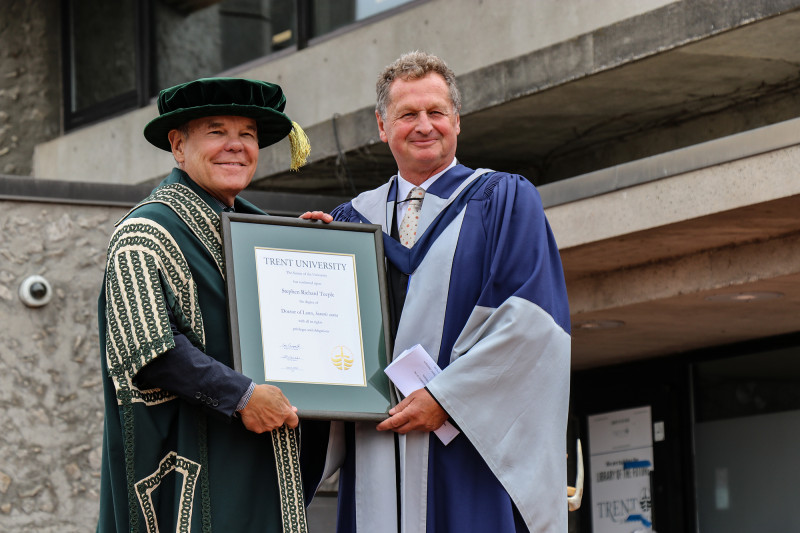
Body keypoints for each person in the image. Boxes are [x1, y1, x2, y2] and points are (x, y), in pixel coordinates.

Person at [327, 52, 572, 532]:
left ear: (456, 120)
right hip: (375, 441)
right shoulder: (350, 221)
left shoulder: (504, 200)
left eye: (436, 112)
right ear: (382, 125)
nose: (424, 126)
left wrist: (446, 398)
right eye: (407, 114)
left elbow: (532, 325)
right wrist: (311, 253)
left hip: (466, 445)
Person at [96, 77, 330, 532]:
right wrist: (243, 397)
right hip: (190, 477)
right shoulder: (144, 233)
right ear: (178, 145)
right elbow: (149, 350)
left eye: (247, 134)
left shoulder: (254, 232)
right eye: (217, 131)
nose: (235, 146)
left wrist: (307, 254)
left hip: (263, 463)